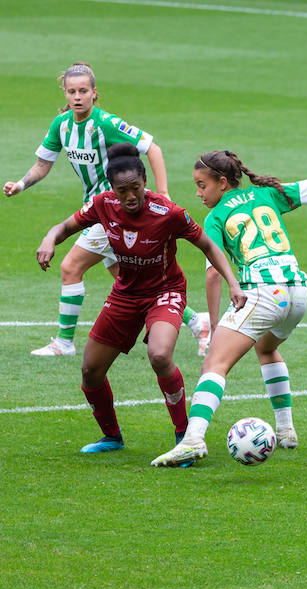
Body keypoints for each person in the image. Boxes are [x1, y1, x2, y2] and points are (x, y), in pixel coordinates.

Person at [150, 152, 307, 467]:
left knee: (214, 363)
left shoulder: (216, 217)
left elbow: (213, 273)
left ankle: (192, 440)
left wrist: (212, 326)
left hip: (264, 293)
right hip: (297, 293)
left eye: (202, 185)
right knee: (266, 348)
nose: (198, 193)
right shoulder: (267, 193)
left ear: (222, 183)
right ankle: (286, 429)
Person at [34, 143, 243, 454]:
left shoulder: (168, 213)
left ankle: (185, 434)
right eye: (122, 190)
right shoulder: (103, 205)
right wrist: (49, 239)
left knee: (159, 355)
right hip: (125, 293)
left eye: (135, 188)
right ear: (112, 189)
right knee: (91, 371)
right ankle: (111, 437)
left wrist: (233, 282)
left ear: (145, 181)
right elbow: (64, 227)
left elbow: (209, 245)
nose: (130, 196)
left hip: (165, 291)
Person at [7, 62, 211, 357]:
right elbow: (43, 164)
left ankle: (64, 342)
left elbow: (152, 147)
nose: (77, 97)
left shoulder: (106, 124)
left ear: (94, 93)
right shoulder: (61, 125)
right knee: (123, 273)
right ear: (64, 92)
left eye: (83, 91)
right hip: (96, 210)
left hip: (112, 211)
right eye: (72, 91)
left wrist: (163, 192)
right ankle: (197, 321)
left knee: (70, 268)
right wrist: (21, 184)